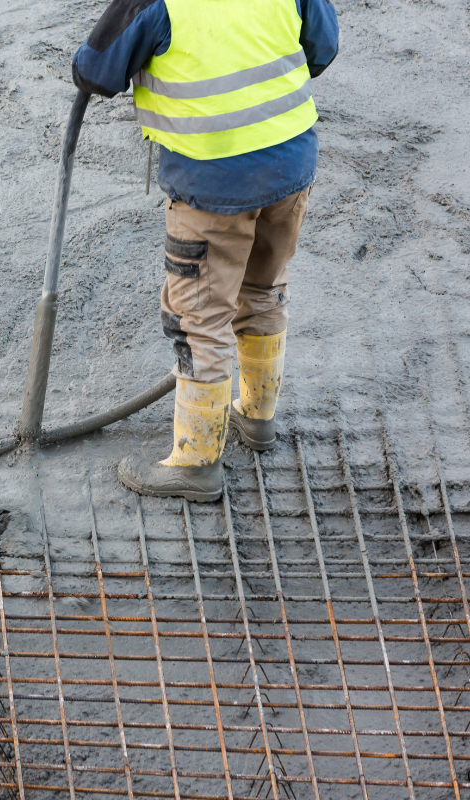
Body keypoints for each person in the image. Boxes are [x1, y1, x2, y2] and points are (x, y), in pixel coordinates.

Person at [72, 0, 339, 501]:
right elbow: (322, 50)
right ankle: (257, 417)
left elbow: (95, 71)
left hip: (213, 185)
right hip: (290, 166)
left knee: (200, 319)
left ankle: (196, 463)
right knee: (263, 288)